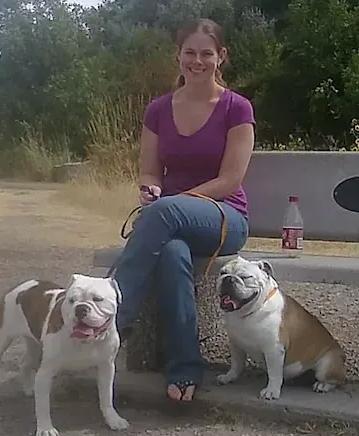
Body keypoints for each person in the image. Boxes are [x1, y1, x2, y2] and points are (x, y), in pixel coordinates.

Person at [113, 17, 255, 402]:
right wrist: (151, 188)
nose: (197, 60)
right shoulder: (159, 109)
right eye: (189, 53)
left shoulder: (236, 108)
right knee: (172, 252)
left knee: (164, 215)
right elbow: (148, 170)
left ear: (220, 57)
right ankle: (184, 368)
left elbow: (229, 181)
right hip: (170, 224)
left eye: (206, 53)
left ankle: (111, 324)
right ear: (178, 56)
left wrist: (173, 202)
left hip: (224, 217)